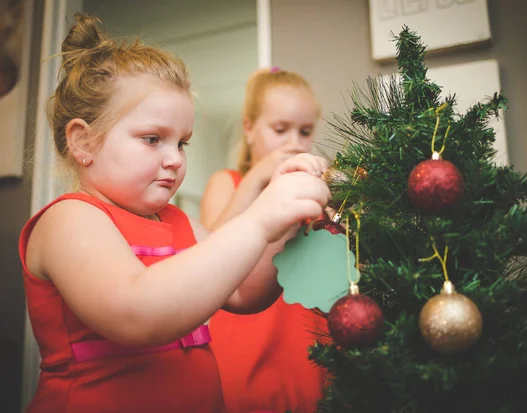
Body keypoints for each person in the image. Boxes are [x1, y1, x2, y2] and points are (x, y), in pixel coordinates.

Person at [18, 14, 329, 413]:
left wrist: (285, 216)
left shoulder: (176, 222)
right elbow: (137, 314)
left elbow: (243, 291)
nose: (174, 159)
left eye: (181, 143)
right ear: (83, 141)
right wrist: (259, 219)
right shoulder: (69, 220)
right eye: (153, 139)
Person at [200, 67, 329, 413]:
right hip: (245, 340)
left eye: (305, 131)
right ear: (249, 128)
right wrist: (257, 177)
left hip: (305, 344)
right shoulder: (227, 182)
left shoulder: (313, 194)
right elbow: (206, 256)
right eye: (280, 129)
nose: (295, 143)